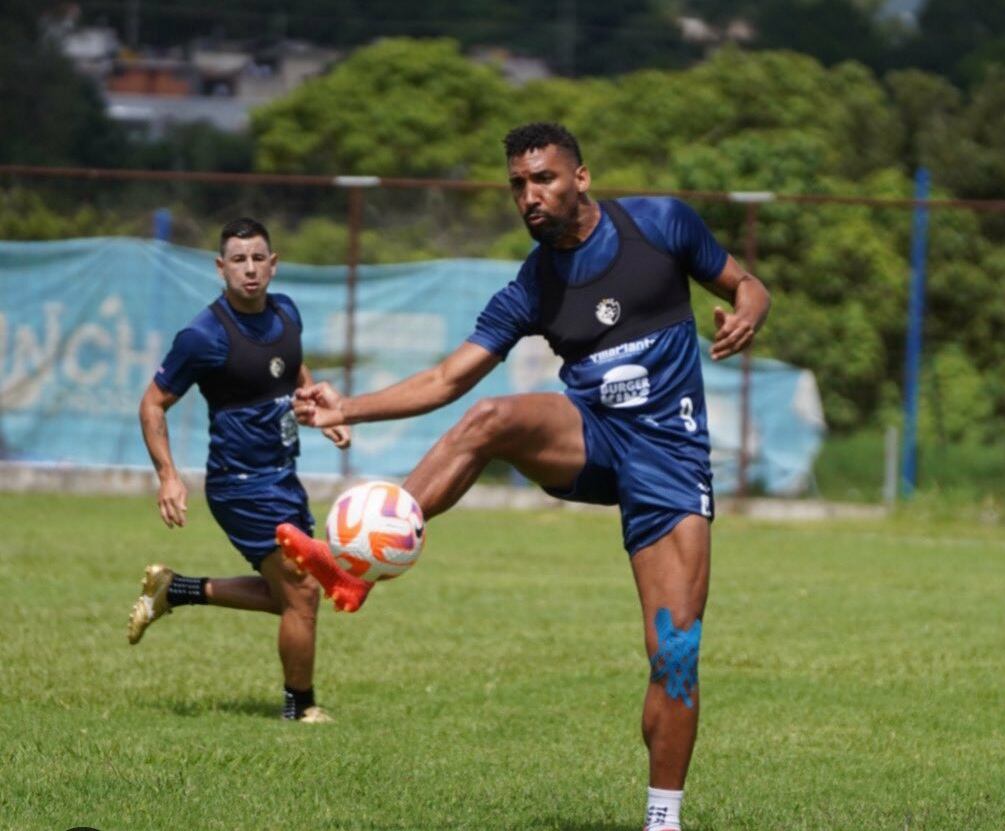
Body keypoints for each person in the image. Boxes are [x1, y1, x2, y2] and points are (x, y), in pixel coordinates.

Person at [277, 123, 771, 827]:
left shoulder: (661, 224)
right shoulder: (534, 284)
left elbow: (747, 284)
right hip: (591, 437)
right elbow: (447, 379)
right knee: (491, 417)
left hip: (668, 460)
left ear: (580, 177)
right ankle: (360, 561)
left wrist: (747, 313)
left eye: (543, 179)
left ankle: (663, 818)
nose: (529, 196)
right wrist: (346, 405)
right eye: (517, 184)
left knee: (675, 653)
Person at [127, 217, 351, 724]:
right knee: (303, 592)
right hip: (241, 486)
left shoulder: (287, 312)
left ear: (273, 264)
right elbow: (152, 403)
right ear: (220, 267)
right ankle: (300, 709)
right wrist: (168, 476)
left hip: (284, 477)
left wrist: (321, 409)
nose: (249, 269)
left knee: (287, 595)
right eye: (238, 259)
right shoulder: (203, 335)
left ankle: (176, 590)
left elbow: (293, 368)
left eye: (257, 258)